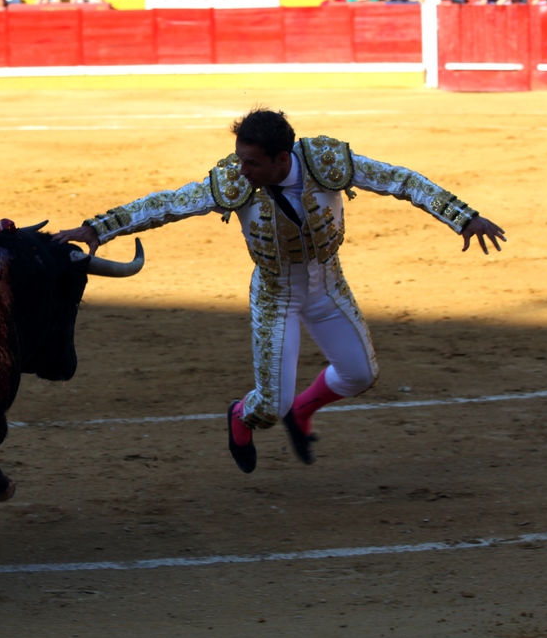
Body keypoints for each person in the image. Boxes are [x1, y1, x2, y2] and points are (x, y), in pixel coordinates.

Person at [55, 108, 505, 473]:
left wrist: (462, 216)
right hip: (275, 294)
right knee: (269, 406)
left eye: (252, 162)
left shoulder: (327, 163)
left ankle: (304, 410)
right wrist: (100, 227)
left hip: (328, 284)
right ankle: (241, 415)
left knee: (360, 375)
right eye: (240, 158)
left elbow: (402, 181)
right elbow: (168, 204)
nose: (241, 169)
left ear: (281, 157)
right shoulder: (235, 182)